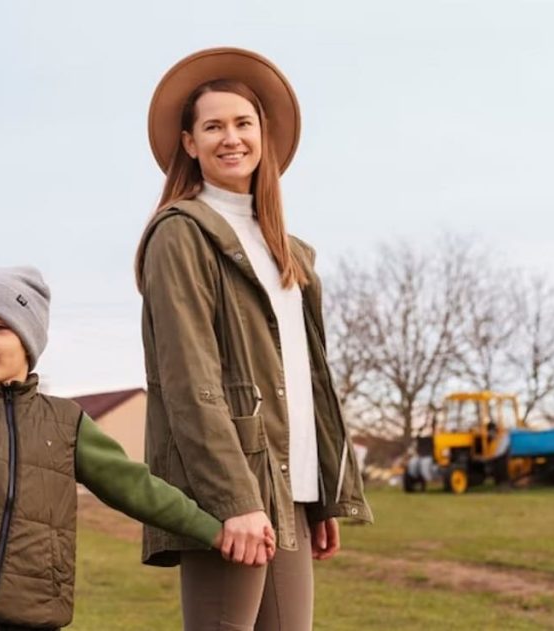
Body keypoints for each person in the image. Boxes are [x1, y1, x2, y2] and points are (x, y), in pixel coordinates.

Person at [0, 266, 271, 630]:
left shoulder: (67, 423)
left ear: (29, 341)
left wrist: (213, 530)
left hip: (34, 615)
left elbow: (137, 488)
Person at [134, 47, 373, 630]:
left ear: (263, 135)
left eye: (243, 123)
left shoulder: (289, 254)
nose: (230, 138)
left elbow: (306, 380)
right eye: (213, 126)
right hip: (230, 487)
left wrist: (319, 494)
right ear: (189, 143)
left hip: (289, 487)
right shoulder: (181, 234)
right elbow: (190, 382)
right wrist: (232, 499)